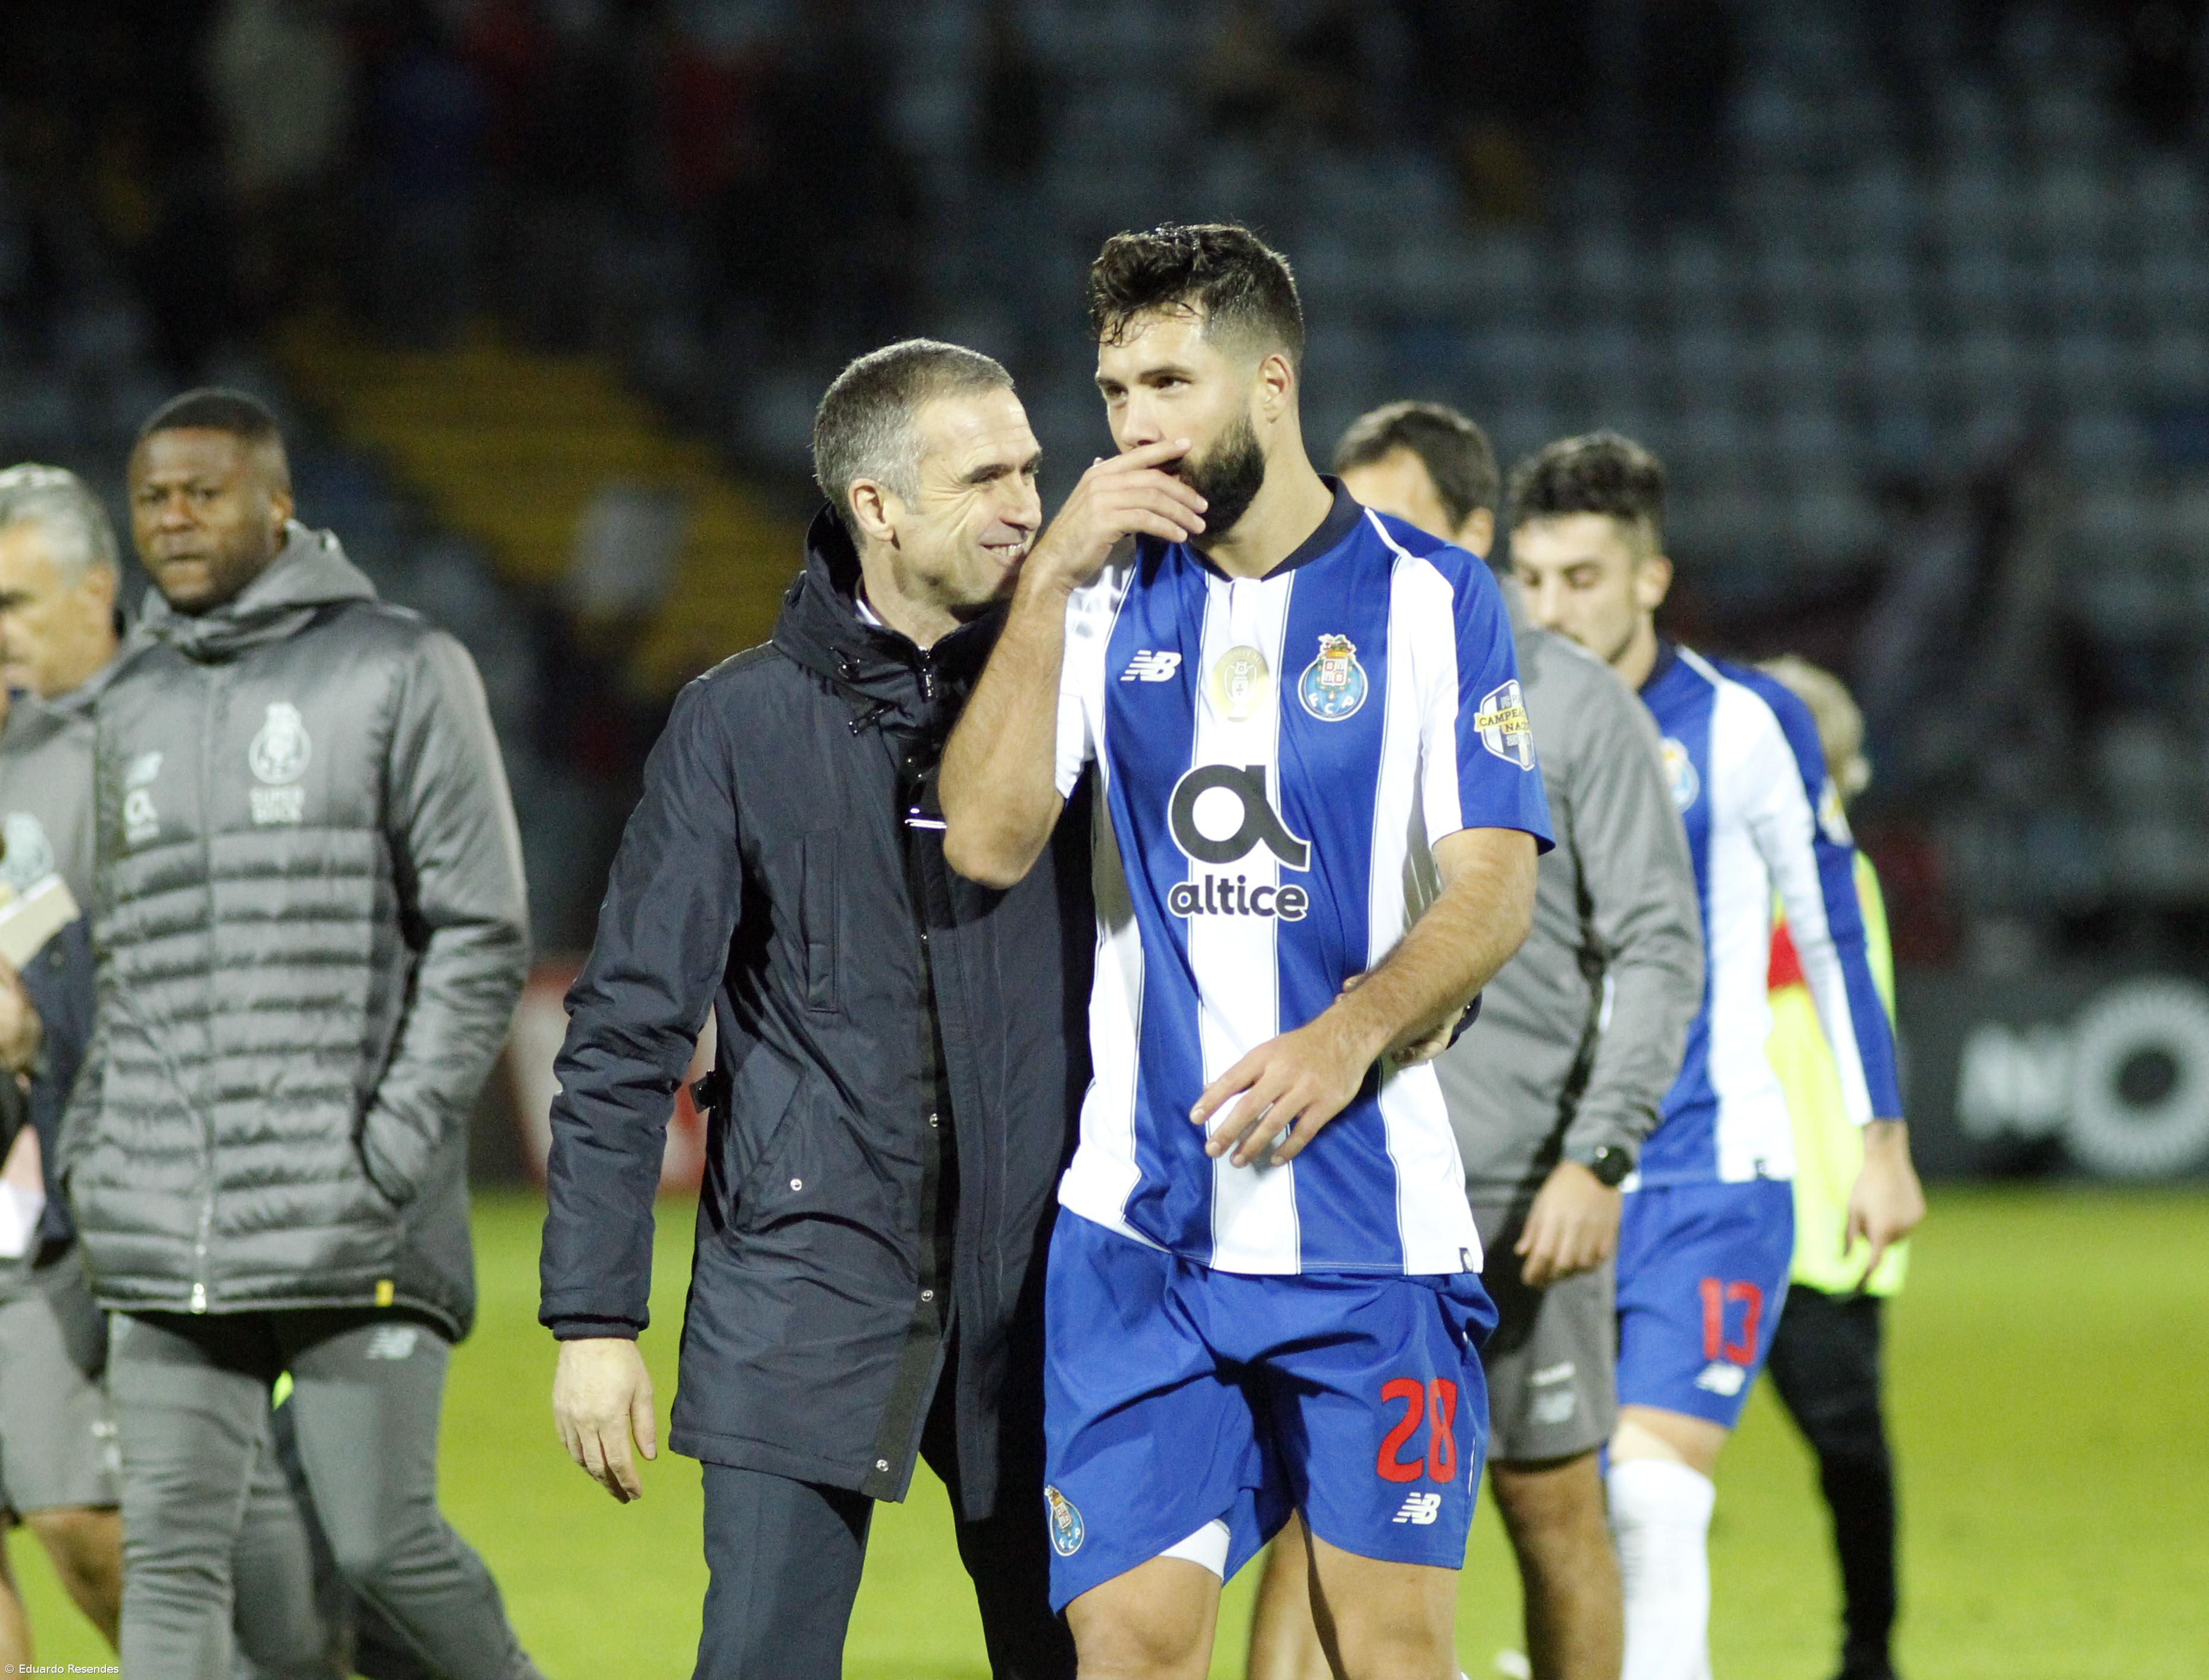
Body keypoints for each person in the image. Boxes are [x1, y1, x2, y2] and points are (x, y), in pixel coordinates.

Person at [941, 223, 1552, 1680]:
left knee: (1389, 1657)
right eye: (1113, 393)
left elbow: (1492, 888)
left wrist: (1346, 1034)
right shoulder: (1103, 594)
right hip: (1142, 1229)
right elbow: (985, 837)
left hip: (1372, 1240)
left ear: (1271, 385)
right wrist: (1047, 586)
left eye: (1169, 383)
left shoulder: (1430, 601)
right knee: (1134, 1654)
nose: (1135, 427)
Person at [540, 339, 1089, 1680]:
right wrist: (596, 1323)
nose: (1028, 502)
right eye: (985, 476)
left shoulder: (1093, 700)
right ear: (878, 508)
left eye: (1031, 466)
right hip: (803, 1285)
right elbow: (623, 1036)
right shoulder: (736, 725)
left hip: (1054, 1301)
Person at [61, 389, 544, 1680]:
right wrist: (102, 1149)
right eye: (152, 495)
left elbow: (484, 927)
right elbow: (111, 954)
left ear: (277, 502)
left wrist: (387, 1147)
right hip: (166, 1212)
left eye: (203, 491)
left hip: (347, 1217)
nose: (172, 517)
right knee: (171, 1560)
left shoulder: (399, 664)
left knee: (383, 1547)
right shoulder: (126, 701)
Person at [1244, 403, 1704, 1680]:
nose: (1366, 546)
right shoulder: (1303, 672)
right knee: (1306, 1517)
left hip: (1512, 1187)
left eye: (1400, 524)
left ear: (1475, 537)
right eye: (1355, 517)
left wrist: (1597, 1158)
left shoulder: (1574, 707)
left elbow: (1661, 954)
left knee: (1551, 1510)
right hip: (1340, 1175)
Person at [1505, 432, 1925, 1680]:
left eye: (1581, 577)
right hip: (1539, 1172)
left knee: (1651, 1491)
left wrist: (1881, 1144)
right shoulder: (1497, 711)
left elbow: (1837, 926)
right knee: (1555, 1498)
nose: (1551, 607)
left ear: (1649, 580)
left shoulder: (1746, 724)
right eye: (1529, 578)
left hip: (1709, 1168)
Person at [1757, 655, 1908, 1680]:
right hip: (1717, 1196)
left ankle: (1868, 1645)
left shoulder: (1831, 874)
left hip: (1817, 1212)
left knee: (1847, 1446)